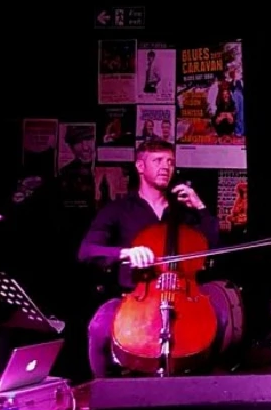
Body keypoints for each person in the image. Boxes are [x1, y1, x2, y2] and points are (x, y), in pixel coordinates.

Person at [78, 139, 227, 378]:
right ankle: (107, 395)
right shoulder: (118, 209)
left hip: (183, 296)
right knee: (98, 328)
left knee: (217, 319)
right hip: (132, 298)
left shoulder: (184, 211)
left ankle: (199, 392)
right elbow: (87, 250)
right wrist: (125, 253)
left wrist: (200, 207)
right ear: (140, 166)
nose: (165, 167)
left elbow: (214, 246)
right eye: (157, 161)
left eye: (170, 162)